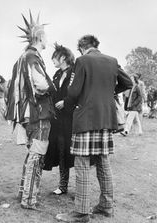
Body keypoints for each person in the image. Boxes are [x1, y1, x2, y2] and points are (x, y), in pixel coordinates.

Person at [56, 35, 133, 223]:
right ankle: (107, 206)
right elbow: (128, 83)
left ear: (82, 48)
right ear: (96, 46)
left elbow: (73, 92)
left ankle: (82, 212)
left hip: (86, 119)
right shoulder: (112, 61)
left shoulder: (82, 61)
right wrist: (109, 92)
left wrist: (66, 102)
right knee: (103, 162)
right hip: (105, 119)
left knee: (82, 164)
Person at [6, 11, 55, 210]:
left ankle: (23, 193)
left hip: (27, 114)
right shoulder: (32, 57)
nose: (47, 40)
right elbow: (41, 84)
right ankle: (29, 199)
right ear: (40, 37)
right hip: (38, 113)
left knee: (32, 154)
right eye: (46, 37)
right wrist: (51, 89)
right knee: (37, 155)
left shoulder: (23, 57)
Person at [43, 43, 75, 195]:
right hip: (57, 120)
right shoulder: (56, 74)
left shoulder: (75, 73)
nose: (52, 60)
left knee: (70, 153)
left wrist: (66, 102)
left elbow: (78, 93)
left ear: (63, 57)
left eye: (54, 57)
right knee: (61, 151)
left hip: (70, 119)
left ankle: (68, 186)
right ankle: (63, 185)